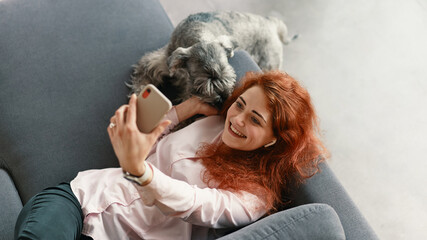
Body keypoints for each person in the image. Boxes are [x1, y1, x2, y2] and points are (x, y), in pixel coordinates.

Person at [15, 71, 328, 239]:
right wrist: (183, 110)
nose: (237, 119)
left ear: (275, 140)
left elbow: (194, 204)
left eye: (255, 120)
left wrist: (141, 173)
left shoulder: (254, 197)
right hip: (80, 197)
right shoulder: (213, 123)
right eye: (241, 104)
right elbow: (152, 148)